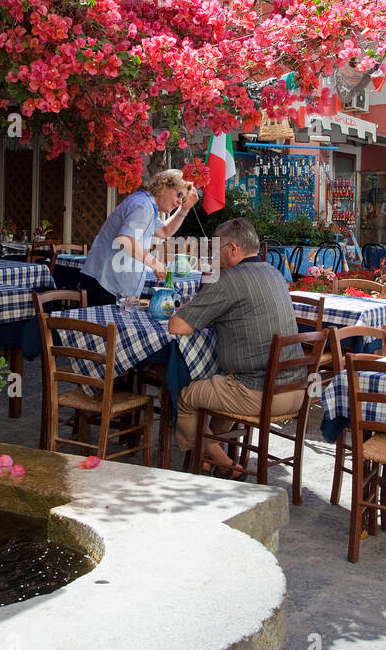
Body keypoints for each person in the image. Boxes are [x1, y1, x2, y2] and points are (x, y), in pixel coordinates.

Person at [167, 218, 306, 476]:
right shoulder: (274, 273)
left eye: (215, 249)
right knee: (220, 386)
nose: (212, 256)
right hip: (296, 389)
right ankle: (207, 454)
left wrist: (189, 308)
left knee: (186, 397)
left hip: (258, 393)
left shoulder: (229, 279)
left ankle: (225, 462)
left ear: (232, 249)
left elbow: (176, 326)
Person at [77, 168, 198, 306]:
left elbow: (165, 232)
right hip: (103, 283)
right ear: (165, 186)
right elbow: (125, 240)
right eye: (179, 194)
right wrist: (155, 264)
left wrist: (184, 209)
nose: (179, 202)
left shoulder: (147, 206)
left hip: (110, 285)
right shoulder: (143, 206)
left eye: (182, 199)